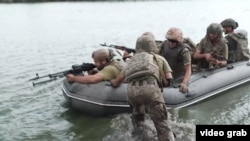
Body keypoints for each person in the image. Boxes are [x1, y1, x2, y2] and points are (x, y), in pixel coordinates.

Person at [111, 33, 175, 141]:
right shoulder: (158, 58)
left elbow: (117, 81)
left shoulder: (132, 61)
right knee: (162, 125)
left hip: (132, 93)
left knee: (138, 122)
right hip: (150, 90)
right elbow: (169, 78)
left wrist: (111, 81)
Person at [159, 27, 192, 94]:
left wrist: (184, 83)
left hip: (178, 77)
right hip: (166, 76)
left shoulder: (184, 51)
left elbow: (188, 69)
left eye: (173, 41)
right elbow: (157, 55)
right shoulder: (164, 44)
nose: (170, 43)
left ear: (178, 42)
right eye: (169, 40)